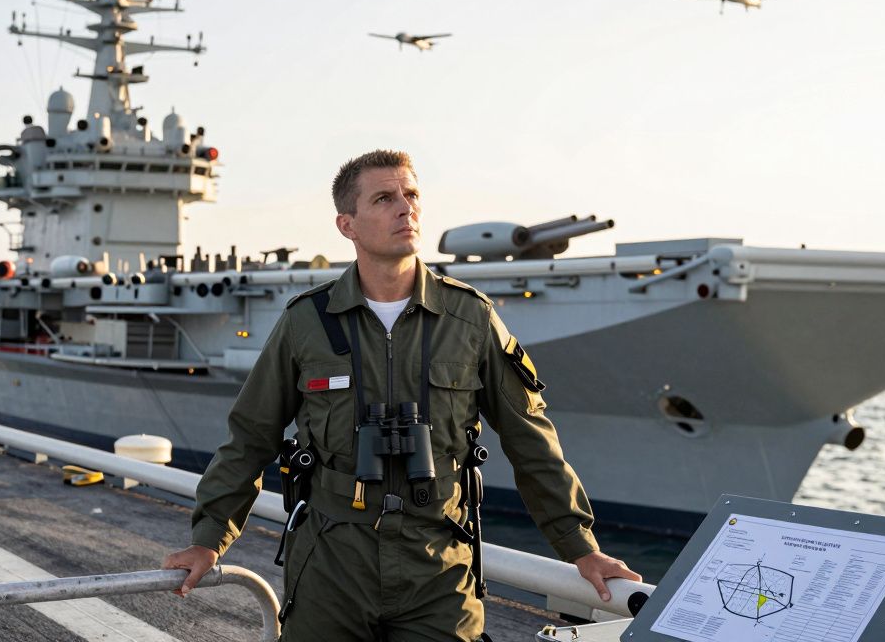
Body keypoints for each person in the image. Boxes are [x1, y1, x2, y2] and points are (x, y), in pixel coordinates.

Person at [163, 150, 639, 640]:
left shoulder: (469, 318)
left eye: (411, 195)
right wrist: (208, 539)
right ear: (346, 224)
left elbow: (530, 437)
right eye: (385, 198)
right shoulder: (307, 321)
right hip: (331, 560)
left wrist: (580, 546)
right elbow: (251, 437)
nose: (404, 208)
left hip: (437, 568)